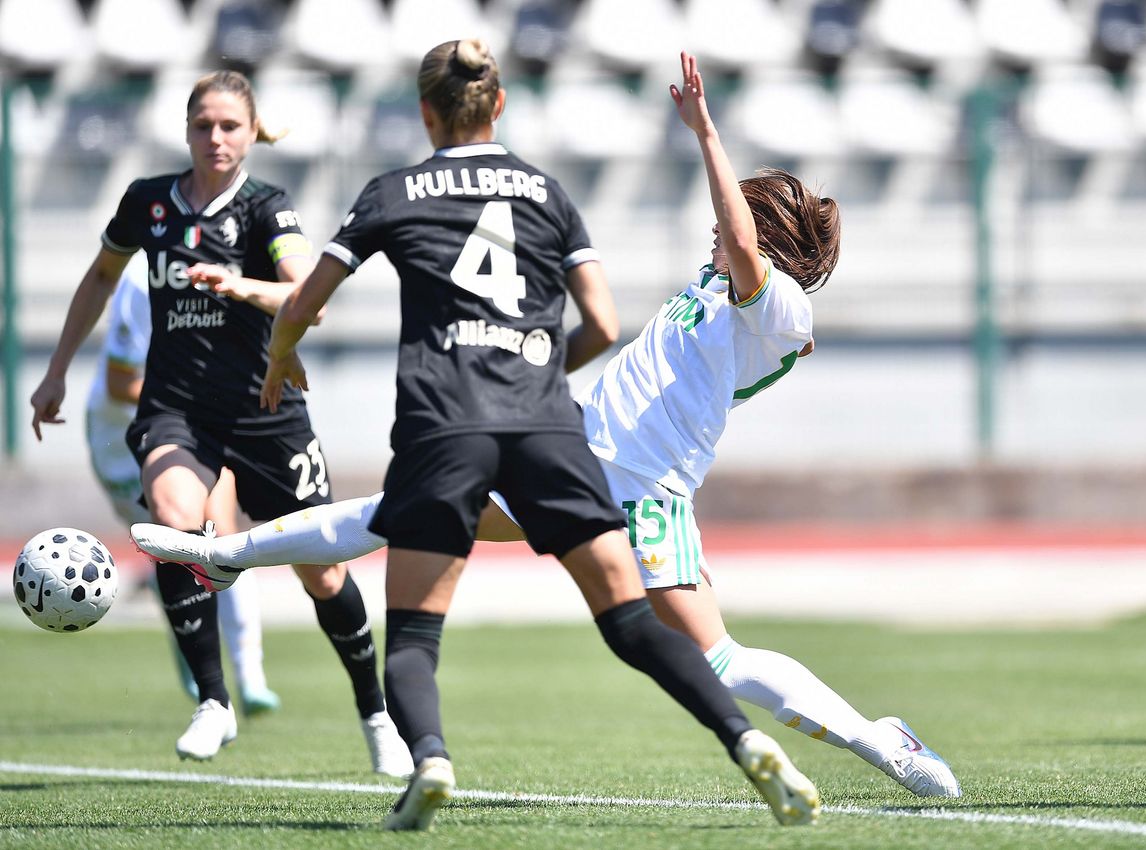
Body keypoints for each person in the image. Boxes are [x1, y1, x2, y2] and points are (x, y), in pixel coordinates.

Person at [135, 50, 959, 801]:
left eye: (731, 219)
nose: (715, 228)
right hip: (567, 454)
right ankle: (228, 554)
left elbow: (740, 243)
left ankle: (880, 741)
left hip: (641, 492)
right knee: (397, 514)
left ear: (764, 235)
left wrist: (705, 133)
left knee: (719, 659)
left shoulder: (779, 305)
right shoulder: (723, 291)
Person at [253, 42, 815, 829]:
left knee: (413, 629)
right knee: (627, 620)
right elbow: (603, 323)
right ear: (501, 105)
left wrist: (280, 356)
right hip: (551, 427)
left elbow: (304, 302)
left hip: (446, 422)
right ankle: (742, 740)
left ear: (424, 112)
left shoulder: (393, 190)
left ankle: (432, 758)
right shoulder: (544, 192)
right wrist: (540, 372)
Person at [30, 70, 411, 777]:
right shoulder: (148, 203)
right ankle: (213, 700)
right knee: (173, 523)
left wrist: (240, 286)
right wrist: (55, 370)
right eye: (203, 124)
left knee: (321, 575)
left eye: (230, 126)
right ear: (185, 129)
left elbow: (306, 297)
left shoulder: (268, 207)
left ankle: (377, 713)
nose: (215, 138)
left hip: (265, 408)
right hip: (178, 408)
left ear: (250, 132)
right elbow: (100, 277)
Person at [88, 251, 280, 714]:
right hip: (120, 436)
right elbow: (120, 383)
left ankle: (250, 675)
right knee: (174, 547)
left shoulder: (235, 273)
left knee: (223, 531)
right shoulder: (143, 276)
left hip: (194, 426)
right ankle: (194, 651)